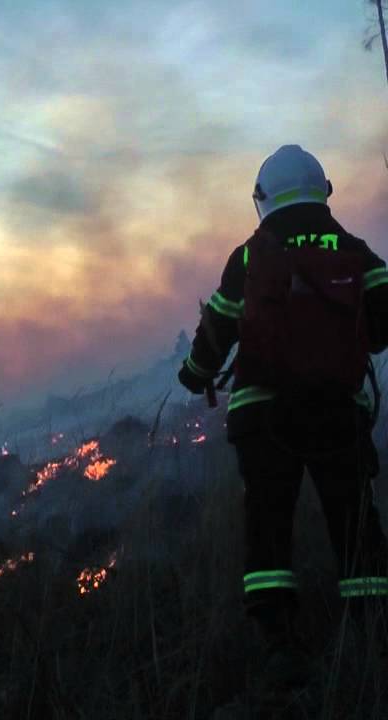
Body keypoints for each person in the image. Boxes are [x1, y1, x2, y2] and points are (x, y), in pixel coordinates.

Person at [178, 145, 388, 696]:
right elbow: (384, 323)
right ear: (322, 189)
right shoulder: (353, 249)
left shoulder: (251, 255)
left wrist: (193, 374)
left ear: (263, 197)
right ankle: (373, 635)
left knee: (268, 524)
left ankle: (280, 646)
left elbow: (216, 331)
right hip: (338, 413)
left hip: (264, 417)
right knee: (355, 521)